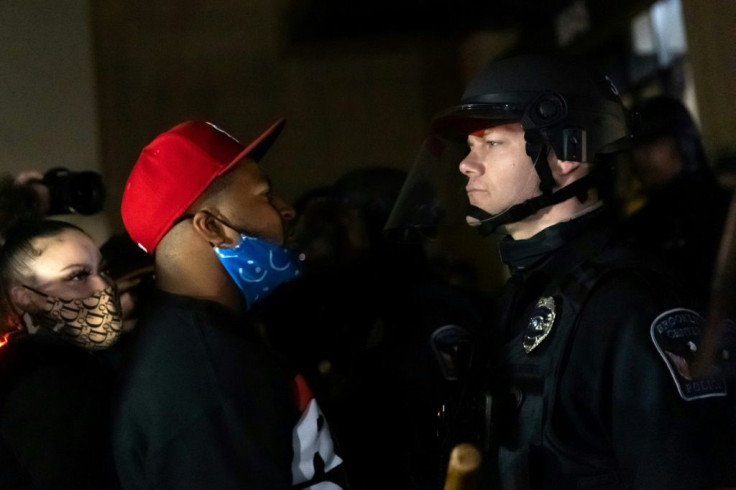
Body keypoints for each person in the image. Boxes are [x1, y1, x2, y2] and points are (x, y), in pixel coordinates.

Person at [385, 53, 736, 489]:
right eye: (470, 147)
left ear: (569, 153)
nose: (466, 165)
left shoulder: (630, 306)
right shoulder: (524, 293)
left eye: (492, 144)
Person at [113, 119, 348, 489]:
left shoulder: (213, 336)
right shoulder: (201, 376)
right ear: (212, 228)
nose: (286, 209)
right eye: (264, 195)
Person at [252, 165, 485, 489]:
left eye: (344, 223)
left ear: (379, 226)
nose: (331, 238)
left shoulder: (430, 311)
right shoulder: (347, 304)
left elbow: (442, 430)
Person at [0, 218, 124, 489]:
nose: (104, 286)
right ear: (24, 297)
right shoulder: (44, 383)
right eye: (77, 276)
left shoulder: (76, 362)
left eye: (104, 270)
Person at [622, 95, 734, 306]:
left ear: (682, 142)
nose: (642, 155)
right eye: (637, 146)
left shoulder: (721, 208)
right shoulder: (637, 228)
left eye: (654, 142)